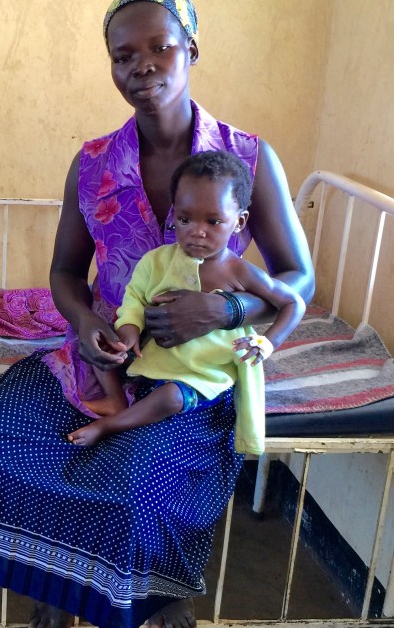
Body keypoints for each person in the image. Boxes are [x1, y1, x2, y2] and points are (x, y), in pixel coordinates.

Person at [0, 0, 314, 628]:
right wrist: (86, 326)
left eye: (160, 47)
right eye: (123, 55)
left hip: (195, 368)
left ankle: (163, 585)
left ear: (191, 49)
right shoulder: (92, 164)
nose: (142, 65)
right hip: (106, 354)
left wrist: (224, 308)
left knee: (139, 482)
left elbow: (297, 277)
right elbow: (64, 272)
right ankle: (55, 583)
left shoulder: (247, 159)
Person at [67, 149, 306, 450]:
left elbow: (293, 302)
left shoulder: (240, 271)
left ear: (240, 221)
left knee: (171, 398)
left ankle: (109, 425)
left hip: (202, 372)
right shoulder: (155, 262)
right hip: (153, 355)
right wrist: (127, 333)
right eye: (185, 219)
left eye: (213, 221)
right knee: (99, 345)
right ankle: (115, 400)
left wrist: (267, 343)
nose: (197, 232)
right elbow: (134, 301)